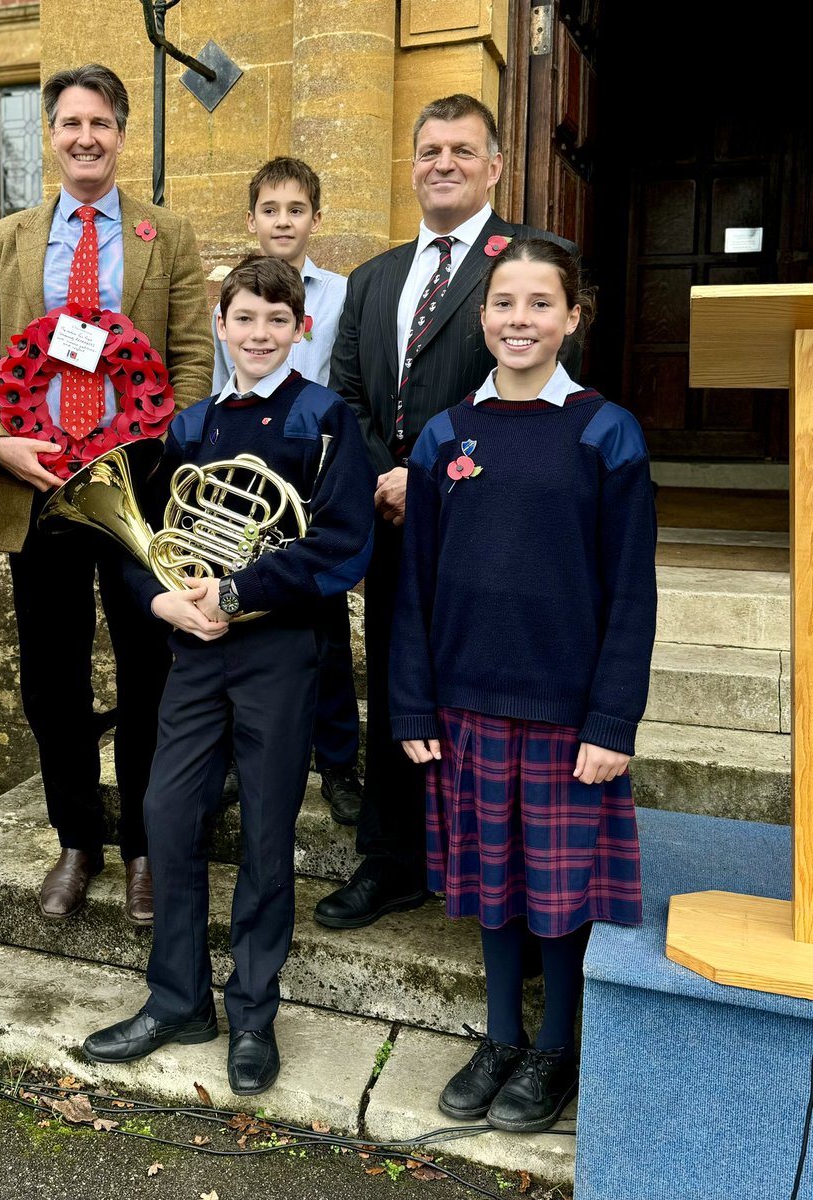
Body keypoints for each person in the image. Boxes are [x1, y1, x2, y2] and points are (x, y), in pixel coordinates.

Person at [82, 256, 374, 1095]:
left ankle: (252, 1012)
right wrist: (161, 603)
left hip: (280, 651)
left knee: (269, 834)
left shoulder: (324, 419)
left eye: (275, 322)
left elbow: (345, 540)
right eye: (244, 319)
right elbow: (138, 534)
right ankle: (178, 998)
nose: (258, 334)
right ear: (222, 325)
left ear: (299, 329)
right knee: (166, 812)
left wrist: (242, 588)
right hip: (196, 647)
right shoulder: (191, 424)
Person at [392, 238, 656, 1132]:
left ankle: (556, 1048)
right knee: (492, 887)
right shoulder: (445, 436)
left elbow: (632, 591)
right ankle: (502, 1036)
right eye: (505, 303)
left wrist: (612, 719)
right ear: (482, 316)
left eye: (542, 304)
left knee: (557, 896)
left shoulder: (603, 431)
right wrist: (412, 699)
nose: (520, 320)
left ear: (573, 317)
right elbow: (415, 586)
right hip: (465, 707)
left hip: (565, 714)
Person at [317, 93, 580, 930]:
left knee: (486, 694)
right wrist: (386, 477)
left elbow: (535, 387)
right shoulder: (375, 276)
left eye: (463, 151)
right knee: (401, 684)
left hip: (494, 523)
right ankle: (392, 860)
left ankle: (487, 865)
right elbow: (347, 394)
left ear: (495, 166)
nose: (443, 164)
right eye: (429, 149)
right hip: (393, 521)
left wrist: (427, 471)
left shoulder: (534, 263)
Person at [0, 63, 213, 925]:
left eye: (100, 122)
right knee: (51, 676)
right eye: (69, 123)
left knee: (150, 666)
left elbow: (189, 360)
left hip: (138, 490)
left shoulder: (164, 235)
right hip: (39, 489)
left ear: (121, 130)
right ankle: (77, 838)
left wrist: (148, 446)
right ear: (52, 134)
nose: (85, 137)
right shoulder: (10, 238)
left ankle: (142, 846)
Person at [209, 157, 361, 825]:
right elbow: (221, 378)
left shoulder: (343, 294)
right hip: (248, 469)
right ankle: (243, 757)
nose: (282, 221)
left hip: (315, 460)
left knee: (323, 623)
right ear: (252, 219)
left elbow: (349, 375)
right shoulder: (229, 294)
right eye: (270, 210)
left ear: (315, 220)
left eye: (295, 210)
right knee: (245, 616)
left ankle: (338, 762)